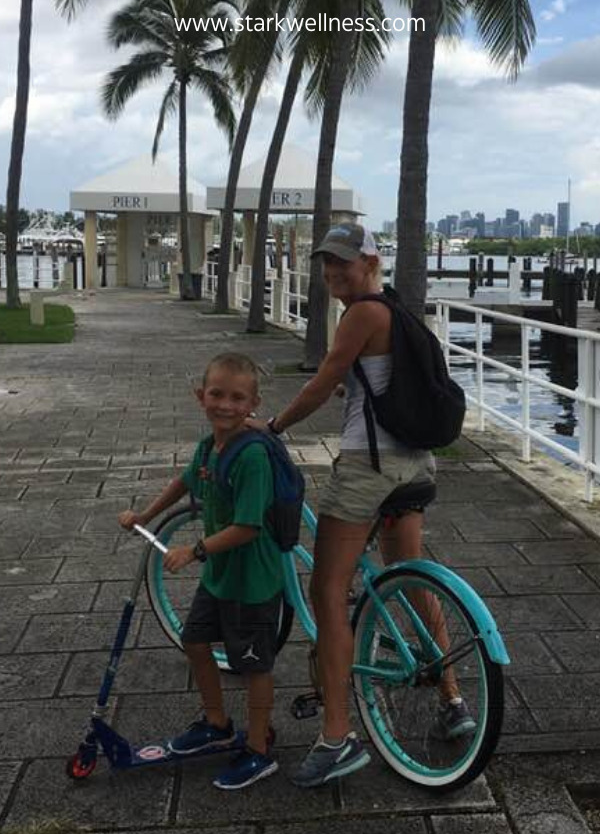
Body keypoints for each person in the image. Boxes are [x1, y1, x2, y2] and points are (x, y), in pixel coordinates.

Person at [255, 223, 475, 788]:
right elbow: (367, 379)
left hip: (367, 469)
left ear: (371, 262)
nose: (333, 275)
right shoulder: (397, 312)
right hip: (414, 465)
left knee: (326, 589)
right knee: (411, 578)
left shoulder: (360, 315)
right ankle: (453, 702)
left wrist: (275, 425)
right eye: (327, 265)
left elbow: (322, 375)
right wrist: (347, 388)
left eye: (345, 265)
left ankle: (337, 736)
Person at [118, 353, 284, 790]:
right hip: (220, 577)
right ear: (200, 396)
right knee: (194, 640)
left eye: (237, 398)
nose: (225, 405)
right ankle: (217, 722)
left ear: (253, 404)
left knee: (254, 667)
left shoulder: (252, 458)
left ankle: (259, 748)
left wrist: (193, 550)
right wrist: (146, 514)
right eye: (217, 395)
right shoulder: (209, 447)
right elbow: (187, 481)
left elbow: (249, 526)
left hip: (252, 582)